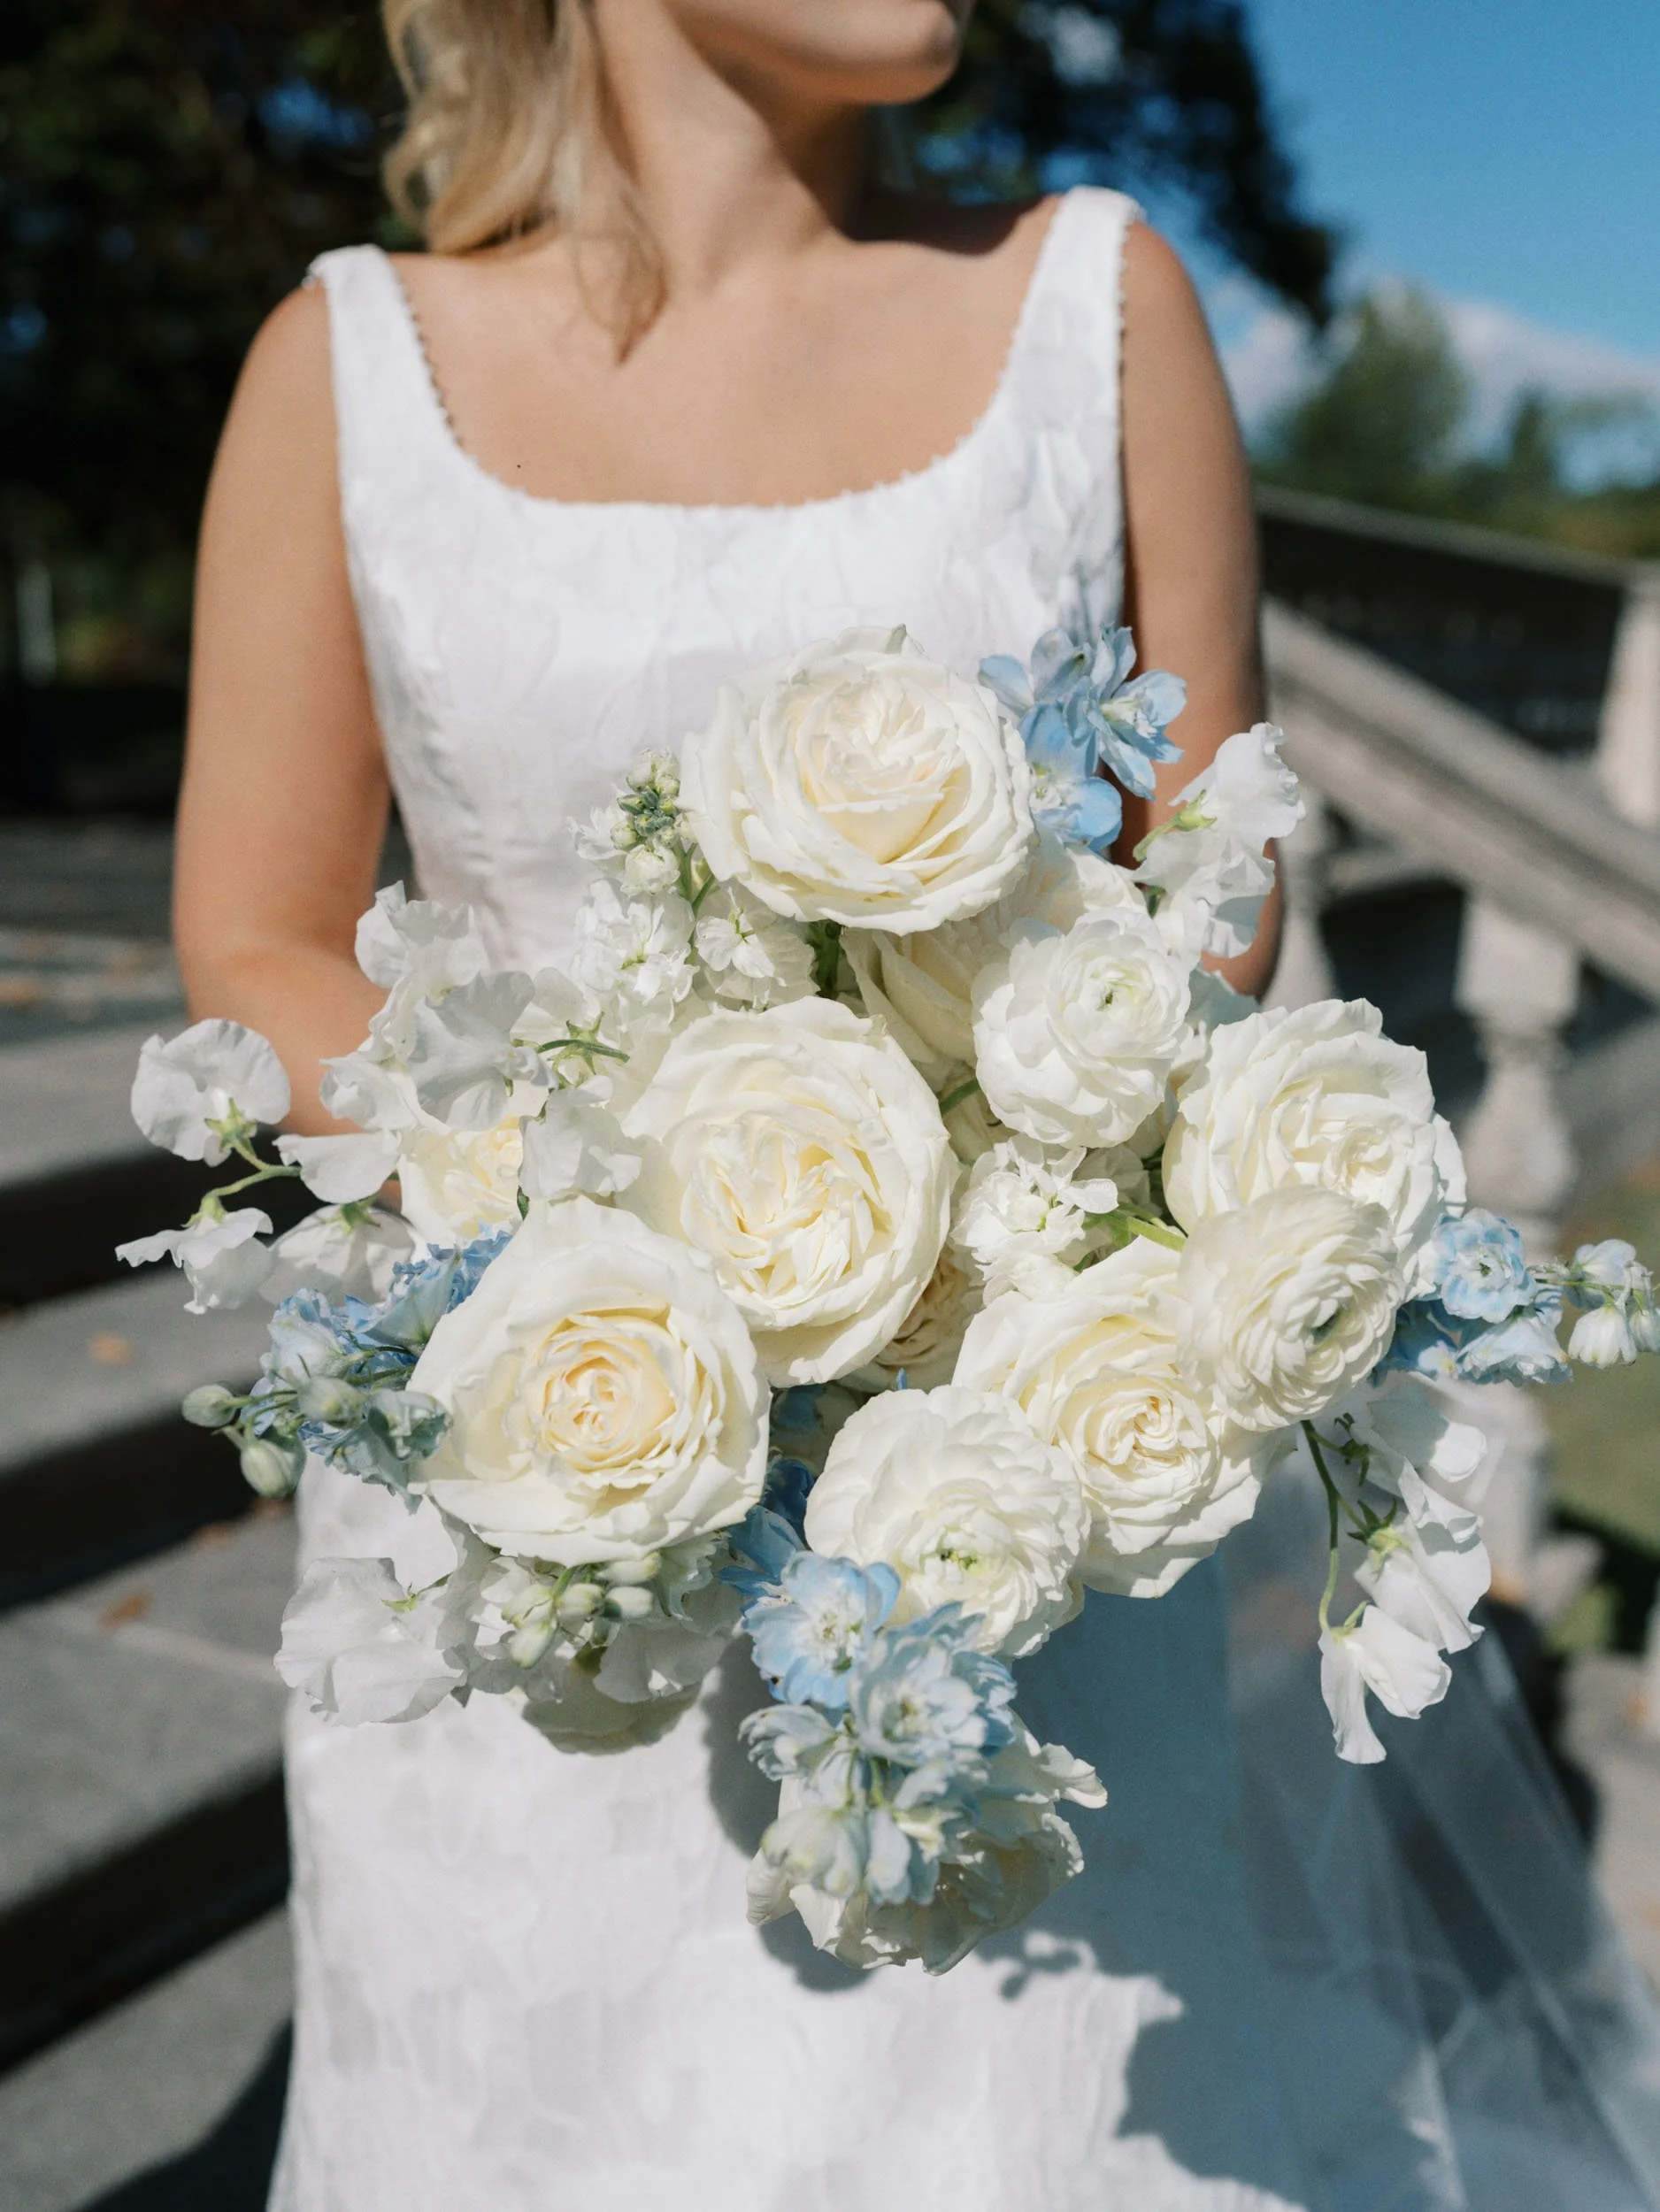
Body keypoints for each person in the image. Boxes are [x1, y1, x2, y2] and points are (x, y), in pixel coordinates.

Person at [173, 5, 1660, 2207]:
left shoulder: (1098, 304)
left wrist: (953, 1203)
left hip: (1002, 1517)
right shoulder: (344, 365)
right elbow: (268, 942)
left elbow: (1207, 878)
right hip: (541, 1490)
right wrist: (585, 1229)